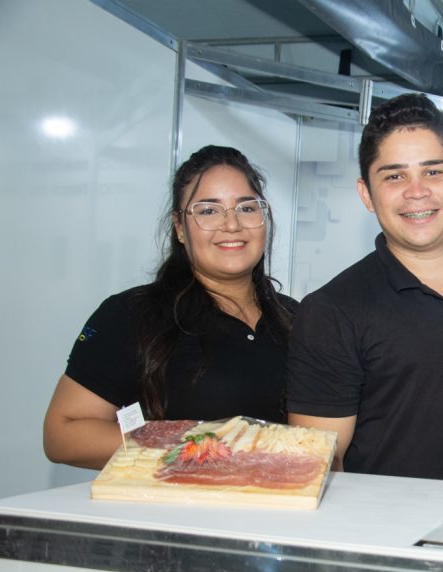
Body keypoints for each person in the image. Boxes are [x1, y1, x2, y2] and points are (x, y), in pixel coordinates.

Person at [287, 93, 443, 483]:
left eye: (433, 172)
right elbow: (320, 467)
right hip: (387, 521)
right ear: (366, 194)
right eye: (394, 176)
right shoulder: (331, 311)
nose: (416, 191)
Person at [43, 145, 296, 469]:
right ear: (179, 227)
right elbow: (63, 434)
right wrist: (192, 447)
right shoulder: (133, 315)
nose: (232, 224)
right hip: (175, 500)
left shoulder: (298, 319)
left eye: (247, 208)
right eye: (208, 210)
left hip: (284, 499)